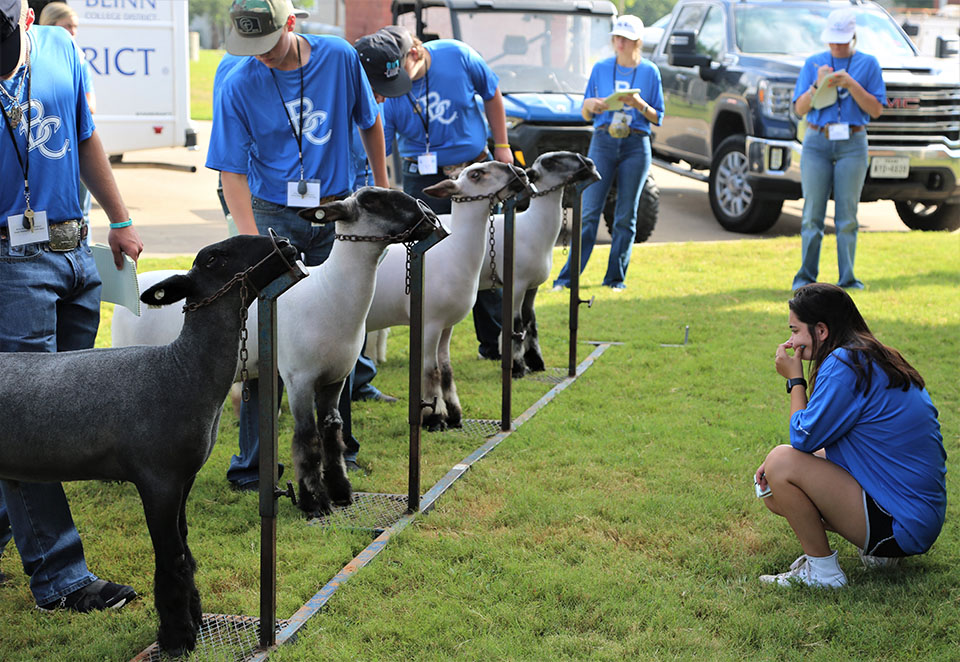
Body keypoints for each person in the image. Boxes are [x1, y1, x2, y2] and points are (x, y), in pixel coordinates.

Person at [207, 0, 388, 485]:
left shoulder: (340, 58)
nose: (260, 56)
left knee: (342, 332)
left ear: (290, 23)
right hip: (272, 217)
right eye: (250, 47)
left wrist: (381, 193)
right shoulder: (239, 82)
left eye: (266, 44)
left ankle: (338, 450)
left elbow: (370, 122)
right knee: (267, 338)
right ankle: (255, 464)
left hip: (339, 211)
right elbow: (231, 169)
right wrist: (250, 241)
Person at [0, 0, 143, 610]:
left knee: (47, 418)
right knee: (27, 423)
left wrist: (120, 218)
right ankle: (60, 578)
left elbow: (85, 136)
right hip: (8, 263)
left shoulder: (59, 48)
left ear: (24, 19)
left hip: (75, 252)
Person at [754, 283, 946, 588]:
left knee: (781, 462)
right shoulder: (869, 355)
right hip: (918, 519)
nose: (791, 341)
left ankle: (823, 573)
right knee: (777, 486)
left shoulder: (845, 363)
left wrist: (795, 381)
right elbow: (847, 445)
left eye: (794, 330)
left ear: (821, 330)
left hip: (901, 524)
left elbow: (803, 437)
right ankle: (879, 554)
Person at [373, 24, 513, 361]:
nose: (396, 85)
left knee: (483, 254)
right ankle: (424, 335)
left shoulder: (458, 56)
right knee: (421, 255)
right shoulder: (390, 85)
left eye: (402, 73)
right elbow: (380, 137)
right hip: (421, 176)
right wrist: (382, 184)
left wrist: (503, 145)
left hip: (473, 171)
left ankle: (493, 342)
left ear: (416, 52)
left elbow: (492, 93)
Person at [552, 14, 663, 293]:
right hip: (603, 141)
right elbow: (585, 110)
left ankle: (615, 278)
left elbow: (658, 116)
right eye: (616, 37)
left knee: (626, 215)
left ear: (637, 42)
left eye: (625, 38)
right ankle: (567, 279)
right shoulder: (601, 67)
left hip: (636, 144)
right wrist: (592, 104)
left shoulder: (650, 71)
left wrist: (638, 104)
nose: (620, 43)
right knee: (589, 212)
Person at [791, 8, 884, 291]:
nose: (837, 45)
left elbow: (876, 109)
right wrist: (819, 83)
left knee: (847, 216)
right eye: (833, 40)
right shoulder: (813, 63)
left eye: (842, 40)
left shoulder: (868, 64)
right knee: (812, 214)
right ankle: (806, 279)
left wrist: (851, 84)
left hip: (852, 144)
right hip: (817, 141)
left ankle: (848, 279)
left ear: (853, 36)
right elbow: (799, 108)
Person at [37, 1, 94, 226]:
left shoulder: (77, 58)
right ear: (50, 26)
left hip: (73, 145)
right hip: (45, 152)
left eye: (75, 27)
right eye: (67, 26)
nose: (73, 32)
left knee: (81, 215)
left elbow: (90, 105)